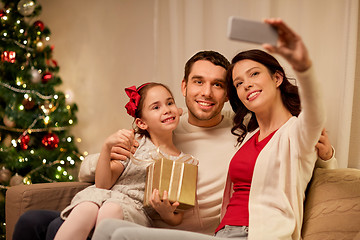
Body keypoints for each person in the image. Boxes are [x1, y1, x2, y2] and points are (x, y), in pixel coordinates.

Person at [12, 49, 336, 239]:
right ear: (184, 86)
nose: (206, 93)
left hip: (163, 228)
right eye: (198, 82)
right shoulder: (165, 124)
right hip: (128, 212)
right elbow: (102, 167)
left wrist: (326, 153)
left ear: (229, 94)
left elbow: (299, 159)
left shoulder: (244, 132)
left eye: (218, 85)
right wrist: (111, 148)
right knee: (32, 221)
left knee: (63, 226)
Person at [90, 18, 333, 240]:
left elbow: (311, 126)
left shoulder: (288, 131)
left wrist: (304, 67)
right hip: (222, 233)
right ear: (184, 86)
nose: (247, 84)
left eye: (255, 74)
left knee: (119, 234)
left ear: (277, 78)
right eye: (239, 82)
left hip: (255, 235)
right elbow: (109, 164)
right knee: (109, 229)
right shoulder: (244, 133)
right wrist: (107, 152)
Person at [52, 82, 195, 240]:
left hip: (135, 211)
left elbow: (177, 217)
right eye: (156, 107)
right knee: (86, 207)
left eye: (170, 103)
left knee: (111, 209)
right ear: (141, 123)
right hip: (107, 196)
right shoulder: (134, 144)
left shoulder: (183, 162)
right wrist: (107, 148)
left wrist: (166, 213)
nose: (167, 109)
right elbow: (103, 185)